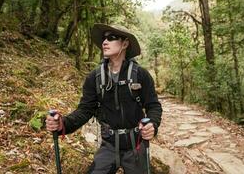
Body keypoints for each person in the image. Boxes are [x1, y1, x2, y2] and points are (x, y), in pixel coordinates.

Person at [46, 23, 162, 174]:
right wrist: (63, 124)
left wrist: (152, 124)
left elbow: (154, 106)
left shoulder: (140, 74)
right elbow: (85, 110)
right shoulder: (94, 78)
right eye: (104, 38)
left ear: (125, 43)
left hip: (137, 145)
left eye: (111, 38)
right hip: (109, 145)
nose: (104, 42)